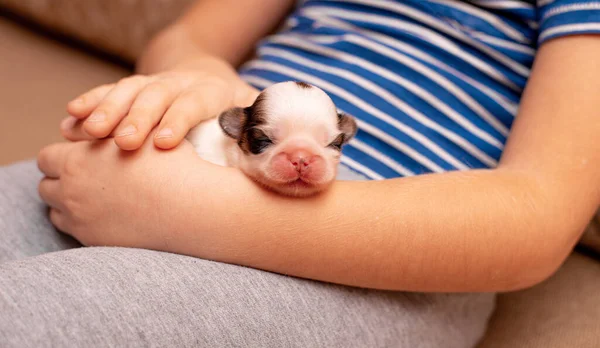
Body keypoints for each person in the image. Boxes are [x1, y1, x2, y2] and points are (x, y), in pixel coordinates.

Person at [2, 0, 599, 346]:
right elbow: (186, 37)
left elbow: (536, 217)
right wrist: (206, 81)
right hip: (194, 156)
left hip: (386, 258)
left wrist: (195, 211)